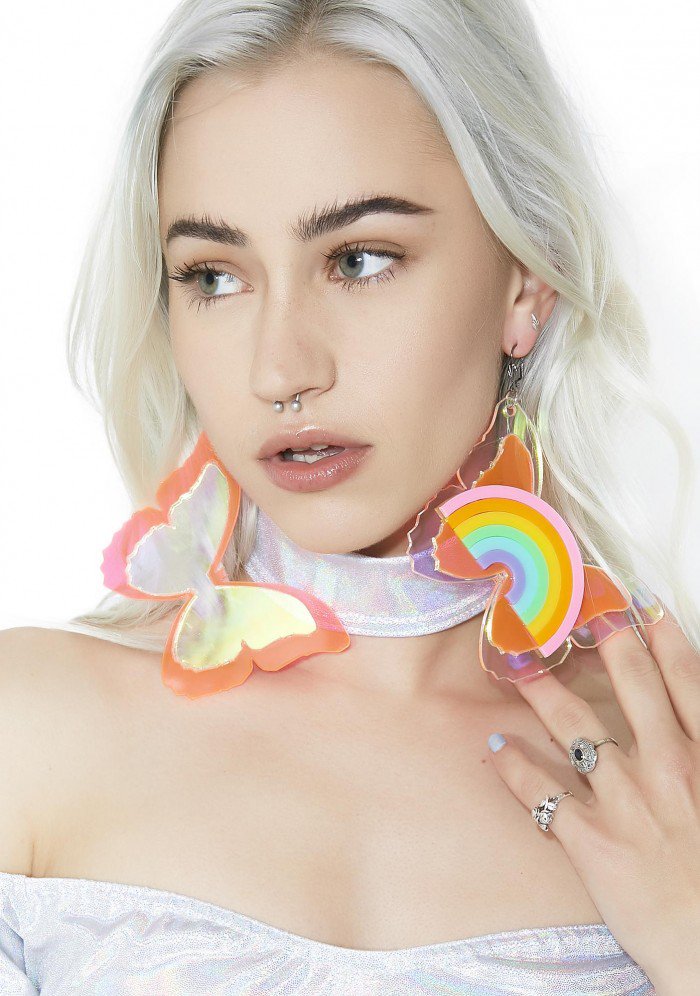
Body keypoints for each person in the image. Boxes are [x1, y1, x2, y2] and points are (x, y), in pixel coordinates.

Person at [1, 0, 698, 992]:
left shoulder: (675, 778)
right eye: (213, 276)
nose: (281, 369)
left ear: (524, 283)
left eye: (359, 260)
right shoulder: (28, 726)